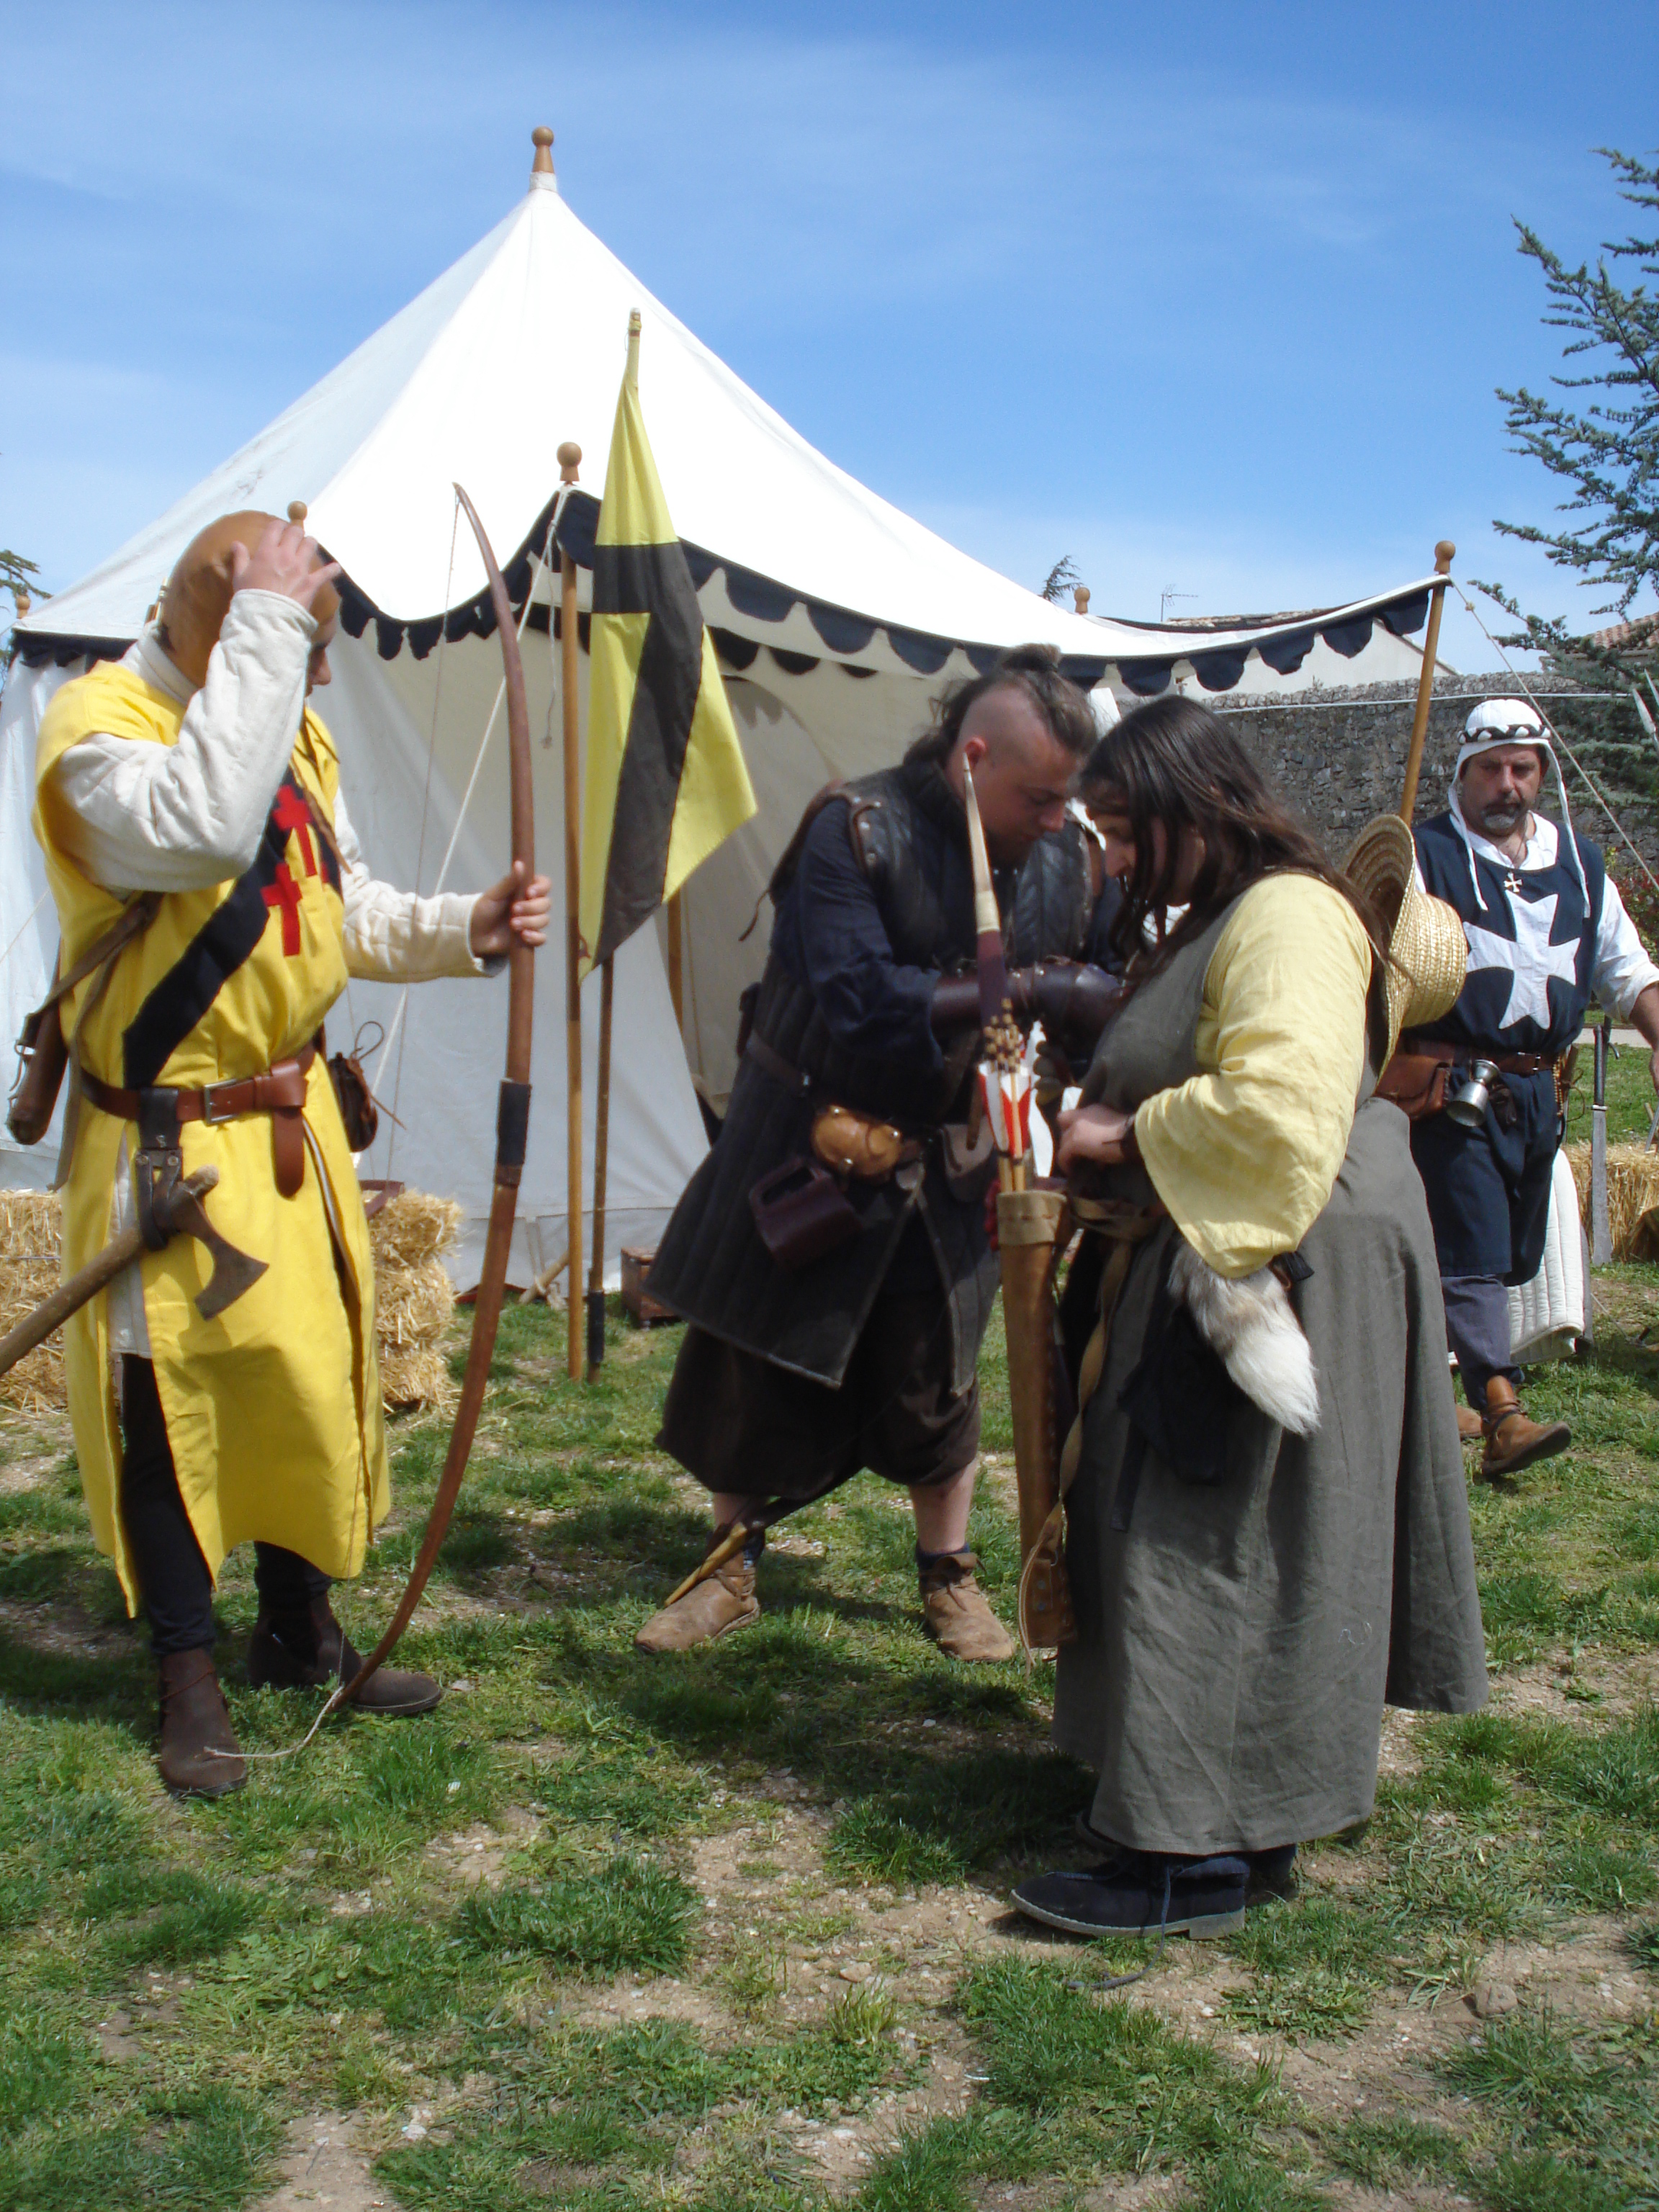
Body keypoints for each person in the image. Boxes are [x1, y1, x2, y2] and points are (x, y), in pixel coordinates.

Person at [32, 511, 551, 1797]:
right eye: (303, 644)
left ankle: (297, 1629)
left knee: (310, 1384)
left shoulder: (288, 730)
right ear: (235, 626)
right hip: (169, 1147)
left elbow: (333, 899)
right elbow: (205, 829)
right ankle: (187, 1676)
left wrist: (463, 926)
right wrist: (266, 617)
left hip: (288, 1126)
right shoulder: (96, 736)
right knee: (174, 1406)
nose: (320, 673)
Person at [1011, 696, 1487, 1941]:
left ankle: (1190, 1857)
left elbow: (1278, 1108)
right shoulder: (1223, 914)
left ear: (1194, 805)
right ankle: (1219, 1814)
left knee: (1209, 1536)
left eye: (1127, 831)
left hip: (1274, 1259)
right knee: (1199, 1528)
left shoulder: (1287, 915)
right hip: (1228, 1238)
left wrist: (1124, 1129)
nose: (1117, 858)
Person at [637, 647, 1124, 1660]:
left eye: (1063, 799)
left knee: (937, 1371)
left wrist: (1071, 1058)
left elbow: (1084, 991)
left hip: (954, 1154)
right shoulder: (854, 828)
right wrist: (1025, 988)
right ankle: (727, 1566)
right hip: (813, 1138)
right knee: (755, 1360)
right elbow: (858, 999)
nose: (1054, 819)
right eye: (1038, 796)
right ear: (973, 757)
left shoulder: (1063, 857)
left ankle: (949, 1574)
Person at [1394, 698, 1659, 1479]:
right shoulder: (1424, 856)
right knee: (1469, 1246)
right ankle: (1503, 1413)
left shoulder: (1580, 862)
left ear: (1542, 773)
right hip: (1450, 1086)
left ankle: (1431, 1388)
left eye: (1522, 768)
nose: (1506, 785)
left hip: (1538, 1093)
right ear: (1462, 773)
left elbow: (1627, 971)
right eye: (1490, 769)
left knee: (1505, 1252)